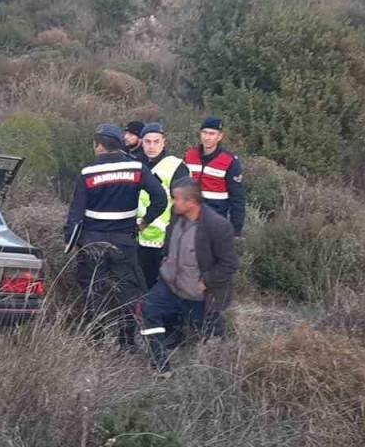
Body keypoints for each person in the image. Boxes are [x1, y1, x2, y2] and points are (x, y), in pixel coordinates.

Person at [64, 123, 167, 344]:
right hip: (125, 241)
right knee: (129, 292)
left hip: (92, 241)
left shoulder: (87, 173)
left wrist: (71, 243)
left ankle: (97, 339)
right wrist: (144, 222)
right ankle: (126, 340)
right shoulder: (138, 168)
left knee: (94, 291)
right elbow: (161, 198)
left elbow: (75, 214)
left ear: (99, 146)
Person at [139, 178, 240, 372]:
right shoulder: (176, 215)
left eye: (176, 198)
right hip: (169, 285)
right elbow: (170, 243)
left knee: (212, 335)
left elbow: (230, 264)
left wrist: (206, 282)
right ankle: (160, 366)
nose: (172, 202)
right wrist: (166, 264)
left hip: (198, 293)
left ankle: (223, 368)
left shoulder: (217, 226)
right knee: (149, 311)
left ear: (191, 201)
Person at [134, 123, 189, 288]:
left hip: (166, 240)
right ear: (141, 142)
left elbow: (185, 205)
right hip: (139, 238)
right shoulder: (135, 164)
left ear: (164, 142)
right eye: (147, 141)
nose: (151, 146)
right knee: (142, 285)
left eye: (156, 142)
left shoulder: (176, 167)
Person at [183, 116, 246, 237]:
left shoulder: (229, 161)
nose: (207, 137)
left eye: (212, 134)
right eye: (204, 133)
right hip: (189, 219)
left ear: (220, 136)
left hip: (215, 221)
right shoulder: (190, 155)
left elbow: (237, 199)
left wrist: (235, 230)